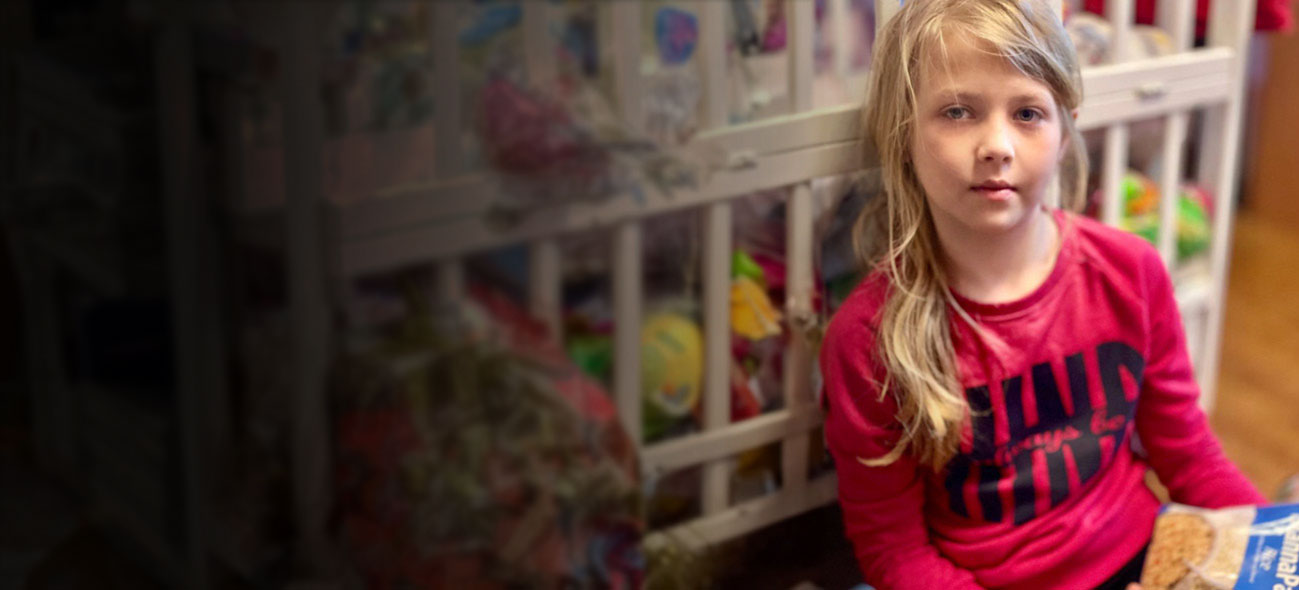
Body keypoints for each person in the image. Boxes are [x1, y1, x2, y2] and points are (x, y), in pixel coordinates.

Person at [817, 1, 1265, 589]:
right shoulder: (866, 338)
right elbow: (894, 550)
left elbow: (1189, 455)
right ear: (903, 132)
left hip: (1142, 560)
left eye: (1027, 113)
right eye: (957, 112)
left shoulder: (1132, 272)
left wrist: (1271, 543)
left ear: (1064, 128)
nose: (996, 145)